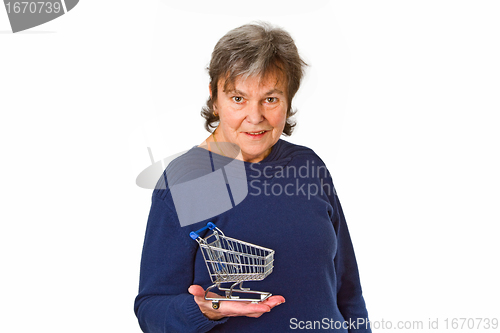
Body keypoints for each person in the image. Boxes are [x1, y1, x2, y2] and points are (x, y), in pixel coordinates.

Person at [134, 22, 372, 332]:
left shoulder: (308, 165)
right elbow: (151, 309)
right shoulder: (186, 181)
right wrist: (206, 311)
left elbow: (347, 290)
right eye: (238, 99)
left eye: (270, 99)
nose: (255, 116)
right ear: (214, 96)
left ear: (288, 99)